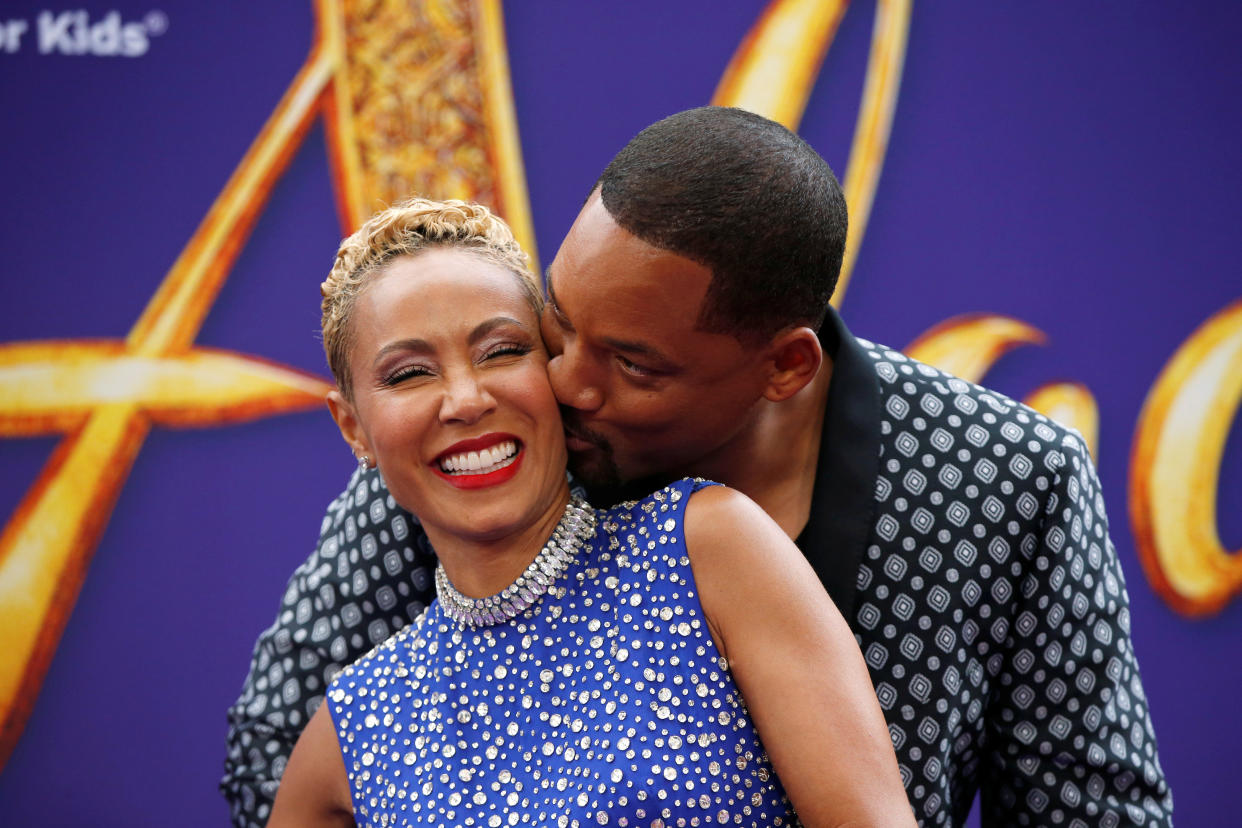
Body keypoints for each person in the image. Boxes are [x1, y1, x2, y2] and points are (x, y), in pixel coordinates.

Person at [224, 107, 1174, 827]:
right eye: (555, 325)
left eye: (631, 364)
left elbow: (1091, 808)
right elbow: (286, 749)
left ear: (785, 367)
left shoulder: (1003, 477)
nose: (566, 382)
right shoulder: (476, 438)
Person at [264, 197, 915, 827]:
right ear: (352, 427)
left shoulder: (706, 548)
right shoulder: (359, 727)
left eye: (501, 351)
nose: (465, 399)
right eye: (409, 374)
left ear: (552, 367)